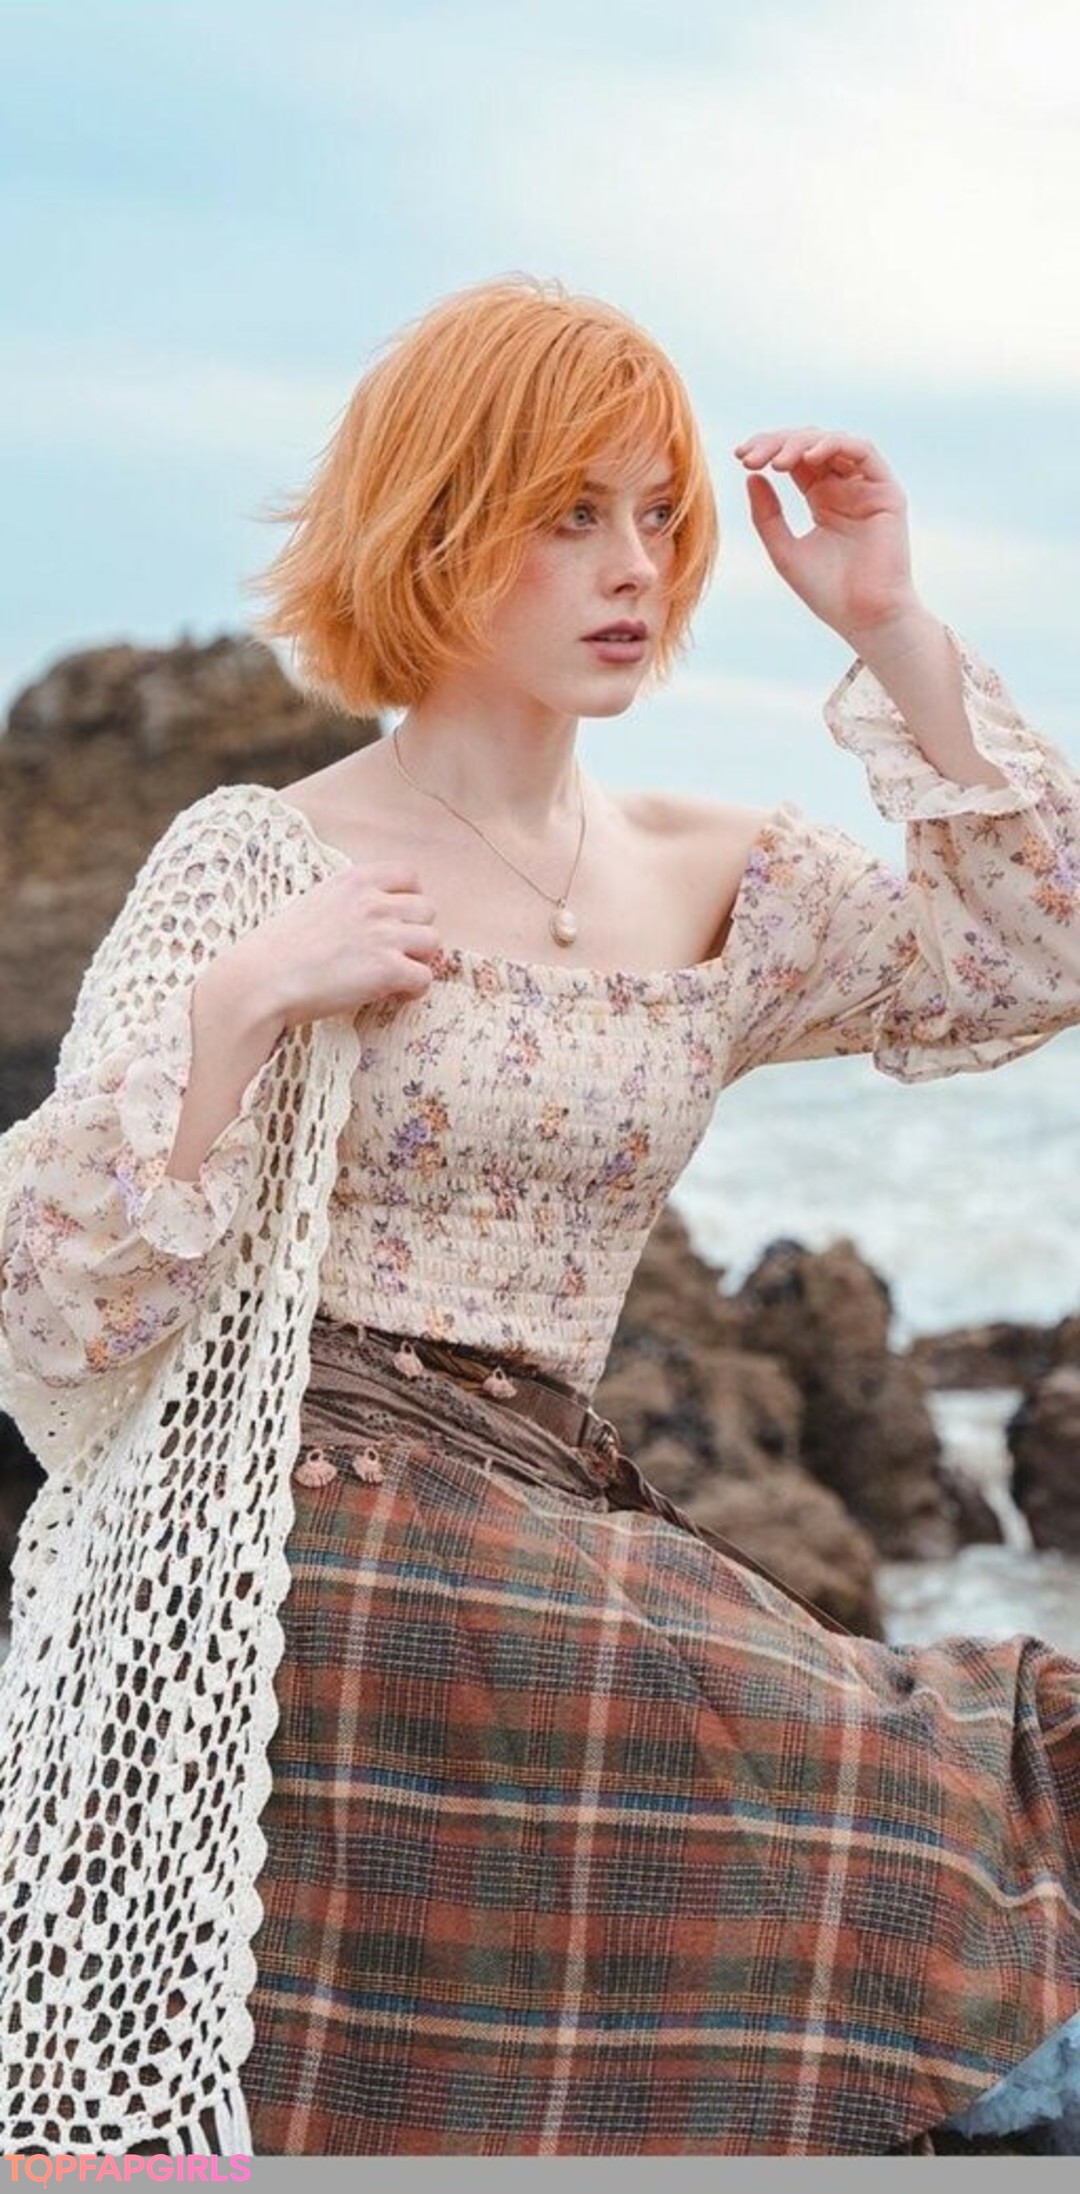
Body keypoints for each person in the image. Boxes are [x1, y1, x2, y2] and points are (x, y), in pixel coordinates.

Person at [1, 274, 1079, 2161]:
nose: (634, 565)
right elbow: (52, 1308)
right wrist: (245, 1004)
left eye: (658, 514)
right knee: (935, 1870)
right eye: (568, 513)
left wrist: (892, 625)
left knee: (1012, 1782)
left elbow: (1029, 955)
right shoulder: (255, 858)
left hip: (550, 1515)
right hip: (309, 1533)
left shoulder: (713, 872)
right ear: (434, 522)